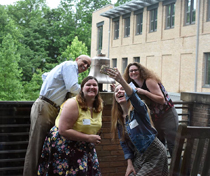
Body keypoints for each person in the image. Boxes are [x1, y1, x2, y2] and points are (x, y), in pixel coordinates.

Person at [23, 55, 91, 176]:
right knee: (36, 147)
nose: (85, 66)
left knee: (46, 146)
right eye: (84, 62)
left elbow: (45, 76)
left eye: (88, 66)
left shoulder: (64, 68)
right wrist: (88, 93)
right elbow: (72, 87)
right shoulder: (70, 66)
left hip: (51, 108)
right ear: (77, 59)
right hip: (45, 107)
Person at [107, 68, 168, 176]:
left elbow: (133, 96)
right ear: (115, 98)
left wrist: (121, 80)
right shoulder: (119, 120)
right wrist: (129, 164)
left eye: (123, 90)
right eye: (116, 91)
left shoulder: (139, 110)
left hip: (154, 154)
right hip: (139, 156)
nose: (119, 92)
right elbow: (124, 144)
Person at [37, 76, 103, 176]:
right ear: (82, 88)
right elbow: (63, 130)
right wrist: (88, 137)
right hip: (64, 144)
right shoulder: (73, 103)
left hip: (85, 145)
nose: (92, 87)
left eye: (94, 85)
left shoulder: (98, 105)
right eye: (88, 85)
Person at [123, 62, 179, 157]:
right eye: (131, 71)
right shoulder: (132, 84)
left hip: (167, 114)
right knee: (159, 145)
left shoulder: (149, 80)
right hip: (154, 117)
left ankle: (181, 171)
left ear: (140, 71)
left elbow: (162, 100)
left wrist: (144, 92)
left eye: (135, 70)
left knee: (173, 145)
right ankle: (163, 171)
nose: (133, 72)